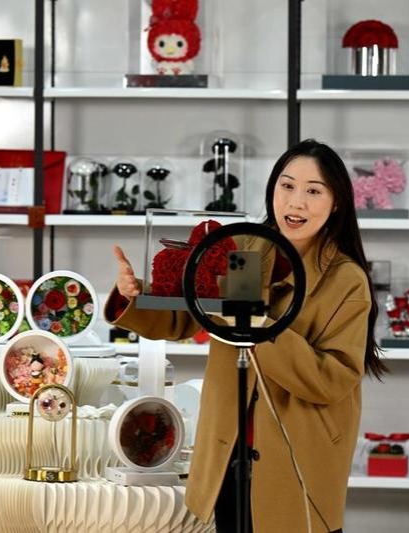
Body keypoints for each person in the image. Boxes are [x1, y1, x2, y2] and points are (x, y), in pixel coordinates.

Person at [105, 139, 387, 533]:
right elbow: (185, 318)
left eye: (313, 191)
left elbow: (332, 379)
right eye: (287, 186)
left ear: (336, 202)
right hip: (229, 451)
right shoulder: (246, 251)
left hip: (296, 458)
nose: (296, 202)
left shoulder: (345, 279)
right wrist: (135, 295)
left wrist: (257, 326)